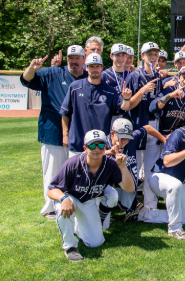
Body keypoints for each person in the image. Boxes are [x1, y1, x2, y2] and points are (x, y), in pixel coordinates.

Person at [20, 45, 88, 219]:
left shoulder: (88, 77)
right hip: (53, 132)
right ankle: (50, 208)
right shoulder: (53, 73)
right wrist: (31, 68)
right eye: (70, 58)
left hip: (79, 134)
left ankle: (72, 204)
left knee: (76, 171)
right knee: (53, 171)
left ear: (83, 59)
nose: (74, 61)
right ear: (67, 59)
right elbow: (27, 80)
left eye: (77, 58)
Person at [48, 129, 134, 261]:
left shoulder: (110, 164)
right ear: (85, 148)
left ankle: (81, 226)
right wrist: (63, 198)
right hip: (71, 198)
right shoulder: (72, 163)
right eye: (92, 145)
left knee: (96, 243)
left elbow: (129, 188)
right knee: (62, 207)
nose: (97, 149)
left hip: (88, 201)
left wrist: (123, 167)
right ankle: (70, 246)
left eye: (101, 145)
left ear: (106, 147)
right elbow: (52, 189)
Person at [139, 104, 185, 240]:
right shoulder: (178, 134)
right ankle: (174, 229)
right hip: (160, 178)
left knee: (183, 218)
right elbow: (166, 161)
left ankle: (145, 214)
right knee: (176, 186)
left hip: (179, 183)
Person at [60, 54, 131, 156]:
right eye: (92, 66)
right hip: (77, 144)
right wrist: (65, 135)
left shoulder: (110, 91)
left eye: (97, 66)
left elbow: (123, 107)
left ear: (102, 68)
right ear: (86, 67)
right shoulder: (75, 87)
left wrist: (127, 98)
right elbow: (65, 112)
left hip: (99, 146)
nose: (95, 69)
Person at [124, 42, 162, 213]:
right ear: (142, 56)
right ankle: (130, 206)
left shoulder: (158, 77)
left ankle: (150, 205)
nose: (152, 56)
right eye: (149, 53)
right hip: (137, 125)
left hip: (154, 124)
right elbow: (129, 105)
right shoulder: (134, 76)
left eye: (155, 54)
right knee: (133, 169)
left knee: (150, 169)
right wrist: (143, 90)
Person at [104, 118, 166, 222]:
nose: (124, 141)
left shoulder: (131, 139)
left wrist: (164, 140)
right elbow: (87, 155)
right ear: (112, 133)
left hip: (124, 183)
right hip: (105, 185)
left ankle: (132, 208)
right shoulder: (103, 143)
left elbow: (148, 128)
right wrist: (108, 152)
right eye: (121, 137)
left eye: (127, 138)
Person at [151, 66, 185, 136]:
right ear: (179, 78)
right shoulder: (169, 90)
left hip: (174, 135)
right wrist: (169, 96)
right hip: (158, 134)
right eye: (184, 77)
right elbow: (152, 108)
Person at [101, 44, 129, 123]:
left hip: (126, 116)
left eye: (123, 55)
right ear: (111, 56)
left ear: (126, 56)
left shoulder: (130, 75)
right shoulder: (104, 75)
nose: (120, 58)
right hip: (109, 117)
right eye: (117, 55)